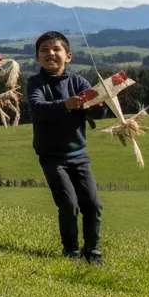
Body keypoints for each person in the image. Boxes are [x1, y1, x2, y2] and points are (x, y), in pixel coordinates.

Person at [26, 31, 104, 264]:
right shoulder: (35, 83)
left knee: (92, 204)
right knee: (68, 204)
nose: (51, 53)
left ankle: (92, 251)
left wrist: (97, 103)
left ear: (67, 56)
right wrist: (67, 105)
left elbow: (93, 109)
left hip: (79, 155)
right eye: (44, 50)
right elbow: (39, 107)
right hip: (51, 157)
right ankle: (70, 252)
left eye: (56, 49)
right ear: (37, 58)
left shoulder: (79, 82)